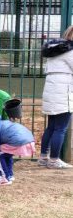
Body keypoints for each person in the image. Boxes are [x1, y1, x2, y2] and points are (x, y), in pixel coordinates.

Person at [39, 27, 73, 169]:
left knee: (51, 126)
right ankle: (54, 160)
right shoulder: (70, 50)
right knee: (61, 128)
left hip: (51, 87)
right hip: (63, 90)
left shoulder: (54, 49)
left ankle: (43, 158)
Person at [0, 112, 35, 185]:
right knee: (7, 154)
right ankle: (10, 175)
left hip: (18, 140)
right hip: (29, 138)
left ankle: (4, 178)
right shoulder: (4, 122)